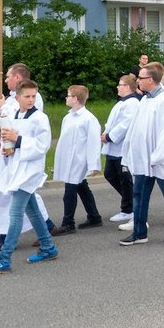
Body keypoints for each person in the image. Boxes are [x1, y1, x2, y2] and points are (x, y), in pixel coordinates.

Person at [0, 80, 58, 274]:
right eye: (27, 96)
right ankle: (48, 247)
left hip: (29, 172)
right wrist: (3, 144)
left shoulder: (40, 118)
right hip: (15, 169)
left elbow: (43, 145)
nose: (31, 100)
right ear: (18, 97)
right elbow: (10, 141)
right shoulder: (13, 115)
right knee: (33, 211)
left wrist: (18, 139)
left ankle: (4, 258)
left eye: (33, 96)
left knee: (15, 214)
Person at [121, 62, 164, 245]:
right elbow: (136, 128)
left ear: (151, 80)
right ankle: (139, 233)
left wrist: (157, 156)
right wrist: (129, 151)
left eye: (141, 78)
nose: (137, 80)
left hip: (158, 159)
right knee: (139, 195)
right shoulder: (145, 99)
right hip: (143, 159)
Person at [51, 85, 103, 234]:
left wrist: (93, 164)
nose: (66, 98)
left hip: (79, 160)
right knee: (82, 187)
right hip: (69, 159)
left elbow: (93, 142)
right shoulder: (68, 117)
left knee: (70, 190)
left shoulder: (88, 119)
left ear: (75, 98)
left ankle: (68, 223)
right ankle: (94, 216)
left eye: (68, 95)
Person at [101, 74, 139, 224]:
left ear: (127, 87)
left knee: (124, 179)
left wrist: (110, 136)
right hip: (113, 147)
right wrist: (105, 134)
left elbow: (125, 124)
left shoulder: (132, 103)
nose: (117, 87)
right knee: (110, 174)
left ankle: (128, 209)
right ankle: (129, 203)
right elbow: (113, 122)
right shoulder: (122, 102)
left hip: (122, 147)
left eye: (120, 85)